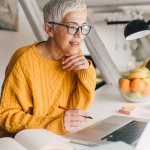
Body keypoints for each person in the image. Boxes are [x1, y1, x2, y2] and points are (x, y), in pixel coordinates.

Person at [0, 0, 96, 138]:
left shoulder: (74, 55)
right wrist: (54, 122)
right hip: (20, 140)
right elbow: (6, 117)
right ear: (49, 29)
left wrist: (86, 71)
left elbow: (79, 107)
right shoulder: (23, 60)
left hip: (56, 136)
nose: (80, 35)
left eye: (83, 27)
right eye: (72, 27)